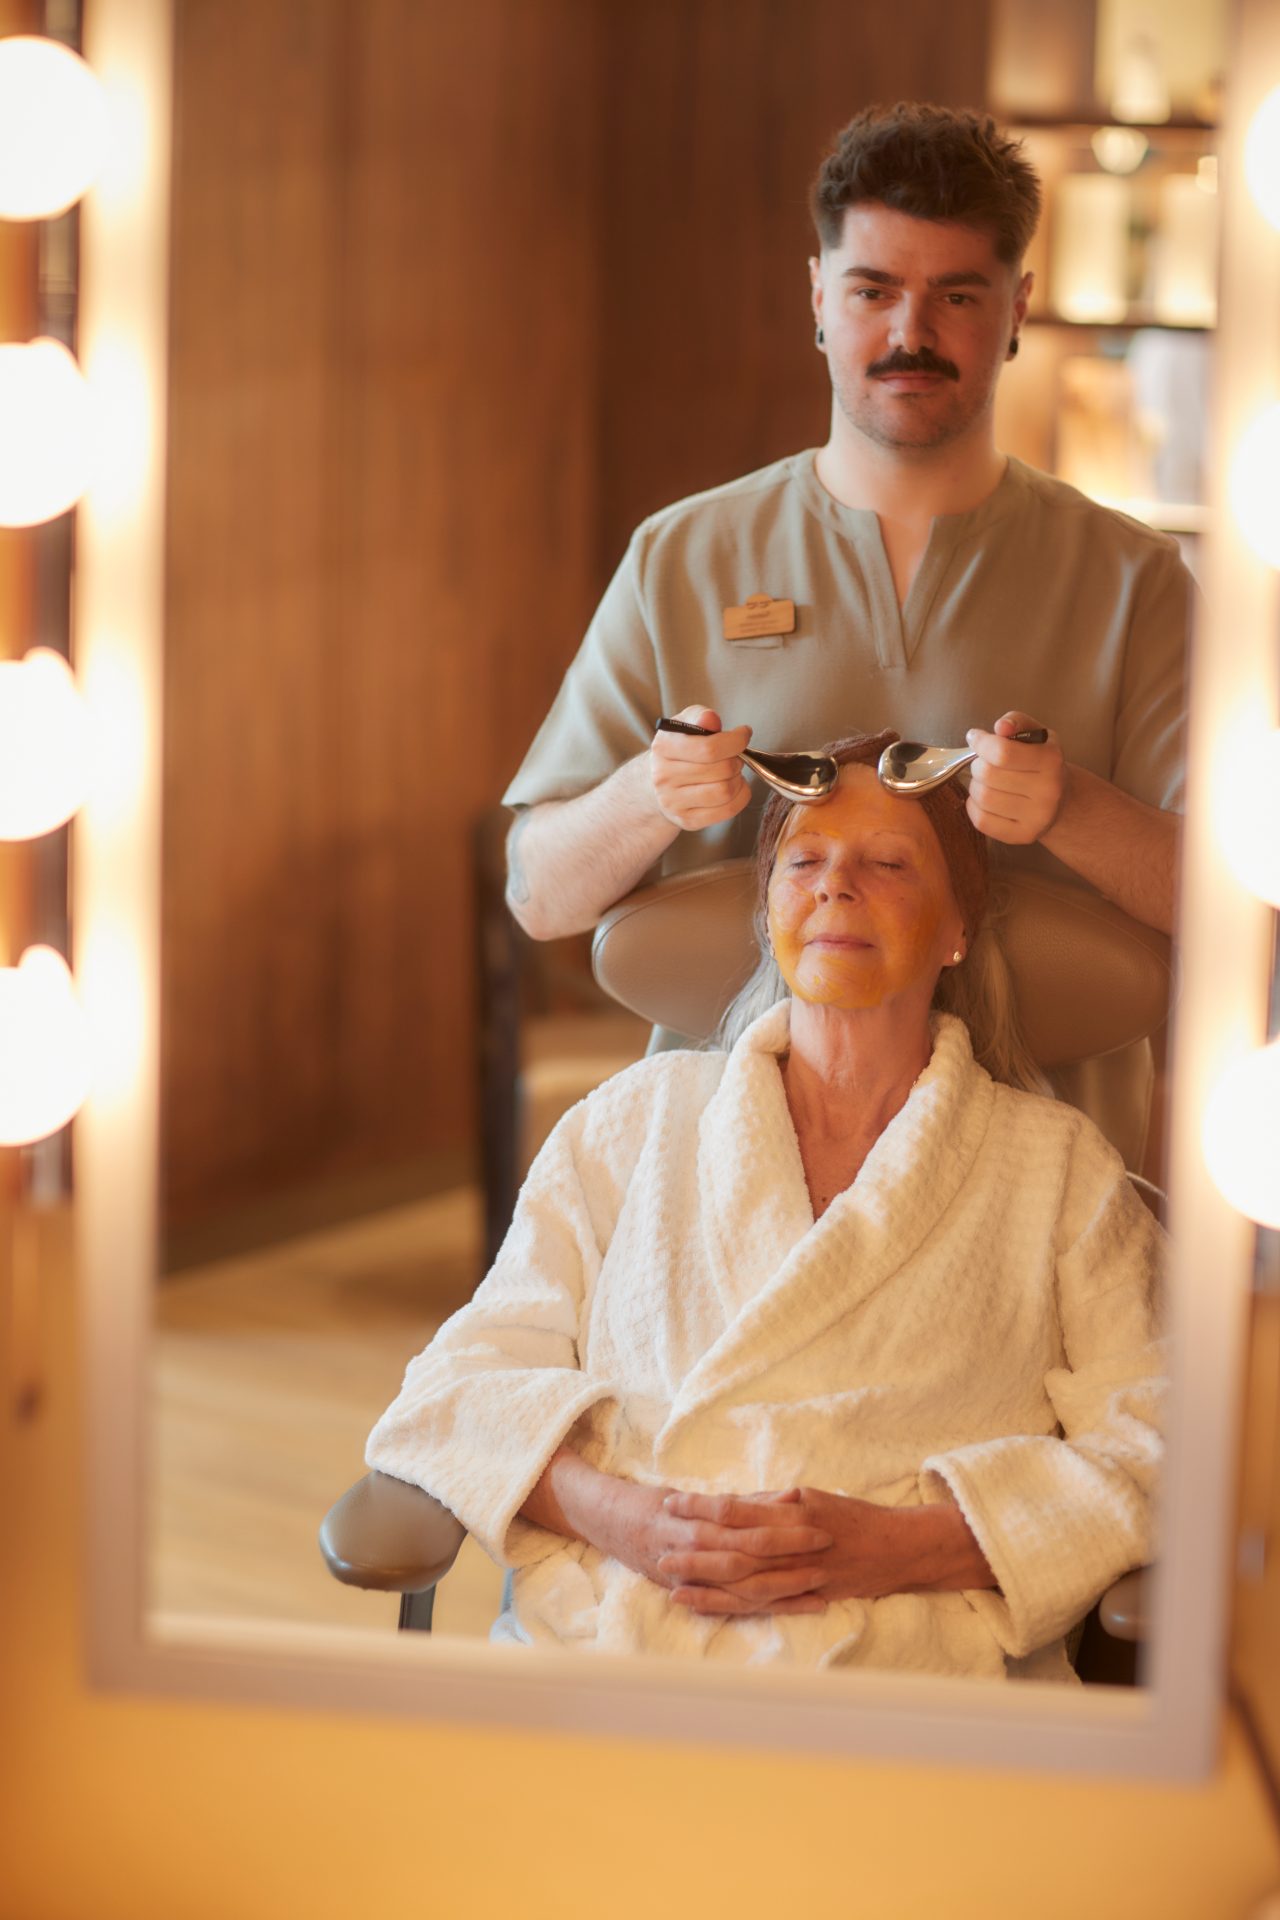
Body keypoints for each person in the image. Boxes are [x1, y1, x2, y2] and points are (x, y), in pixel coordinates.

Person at [368, 735, 1164, 1679]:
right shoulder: (630, 1123)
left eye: (888, 863)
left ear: (959, 927)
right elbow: (457, 1389)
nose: (837, 886)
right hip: (617, 1645)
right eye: (805, 862)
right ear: (769, 911)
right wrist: (622, 1519)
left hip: (908, 1681)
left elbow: (1162, 1444)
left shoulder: (1058, 1168)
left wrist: (902, 1547)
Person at [503, 104, 1189, 957]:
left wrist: (1069, 811)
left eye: (957, 295)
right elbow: (537, 896)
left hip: (1043, 1094)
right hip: (731, 1094)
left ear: (1017, 309)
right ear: (819, 295)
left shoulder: (1138, 581)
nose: (911, 333)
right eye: (874, 291)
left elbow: (1236, 906)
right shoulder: (680, 557)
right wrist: (651, 795)